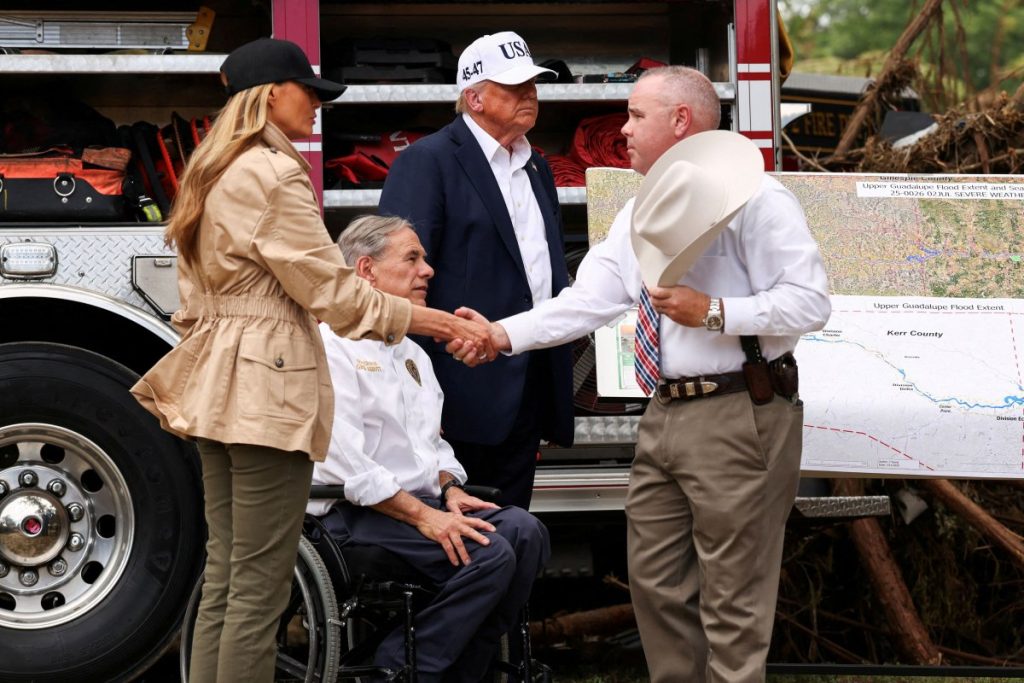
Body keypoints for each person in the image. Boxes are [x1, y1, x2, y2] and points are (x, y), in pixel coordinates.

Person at [129, 38, 492, 683]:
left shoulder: (213, 173)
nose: (319, 107)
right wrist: (437, 323)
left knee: (226, 575)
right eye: (310, 92)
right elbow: (334, 293)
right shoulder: (273, 171)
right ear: (272, 96)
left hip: (214, 383)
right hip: (266, 389)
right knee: (261, 588)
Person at [452, 66, 832, 682]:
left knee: (733, 600)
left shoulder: (759, 199)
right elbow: (587, 301)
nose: (620, 130)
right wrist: (499, 335)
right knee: (655, 587)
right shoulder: (640, 211)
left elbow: (811, 303)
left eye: (634, 115)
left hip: (741, 412)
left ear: (681, 121)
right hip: (666, 415)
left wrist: (714, 312)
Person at [307, 214, 550, 681]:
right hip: (352, 516)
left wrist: (449, 488)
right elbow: (346, 465)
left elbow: (431, 444)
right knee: (491, 553)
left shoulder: (411, 352)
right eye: (412, 258)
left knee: (524, 531)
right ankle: (401, 668)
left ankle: (454, 668)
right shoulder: (331, 347)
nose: (429, 270)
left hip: (417, 505)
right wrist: (427, 516)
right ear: (366, 270)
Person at [377, 31, 574, 509]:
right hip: (455, 393)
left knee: (513, 531)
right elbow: (396, 281)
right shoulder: (429, 162)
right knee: (455, 543)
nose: (529, 94)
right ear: (474, 97)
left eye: (533, 84)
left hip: (526, 382)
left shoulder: (536, 166)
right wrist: (414, 392)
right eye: (514, 86)